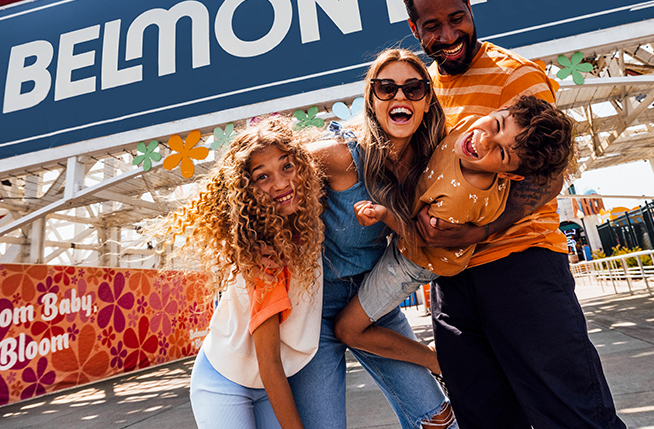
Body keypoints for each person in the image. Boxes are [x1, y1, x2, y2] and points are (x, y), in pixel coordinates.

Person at [402, 0, 627, 429]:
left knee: (570, 413)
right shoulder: (422, 90)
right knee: (484, 417)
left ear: (470, 6)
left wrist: (481, 229)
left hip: (521, 268)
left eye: (456, 18)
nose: (448, 34)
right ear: (414, 29)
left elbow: (550, 175)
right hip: (451, 280)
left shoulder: (517, 75)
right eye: (432, 26)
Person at [334, 96, 573, 371]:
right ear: (498, 109)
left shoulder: (460, 198)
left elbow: (422, 239)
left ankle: (435, 361)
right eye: (496, 124)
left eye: (501, 153)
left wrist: (386, 215)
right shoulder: (471, 127)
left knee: (347, 329)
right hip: (411, 227)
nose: (483, 141)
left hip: (415, 259)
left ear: (512, 176)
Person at [289, 48, 457, 429]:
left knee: (438, 419)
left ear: (428, 100)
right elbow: (267, 170)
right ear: (372, 99)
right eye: (387, 88)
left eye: (413, 88)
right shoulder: (341, 156)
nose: (400, 97)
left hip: (370, 299)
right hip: (313, 306)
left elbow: (424, 242)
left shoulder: (429, 167)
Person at [156, 118, 324, 429]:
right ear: (246, 190)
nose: (281, 183)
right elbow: (269, 364)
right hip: (224, 382)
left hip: (267, 384)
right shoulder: (264, 259)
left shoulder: (305, 223)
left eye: (287, 167)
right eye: (263, 177)